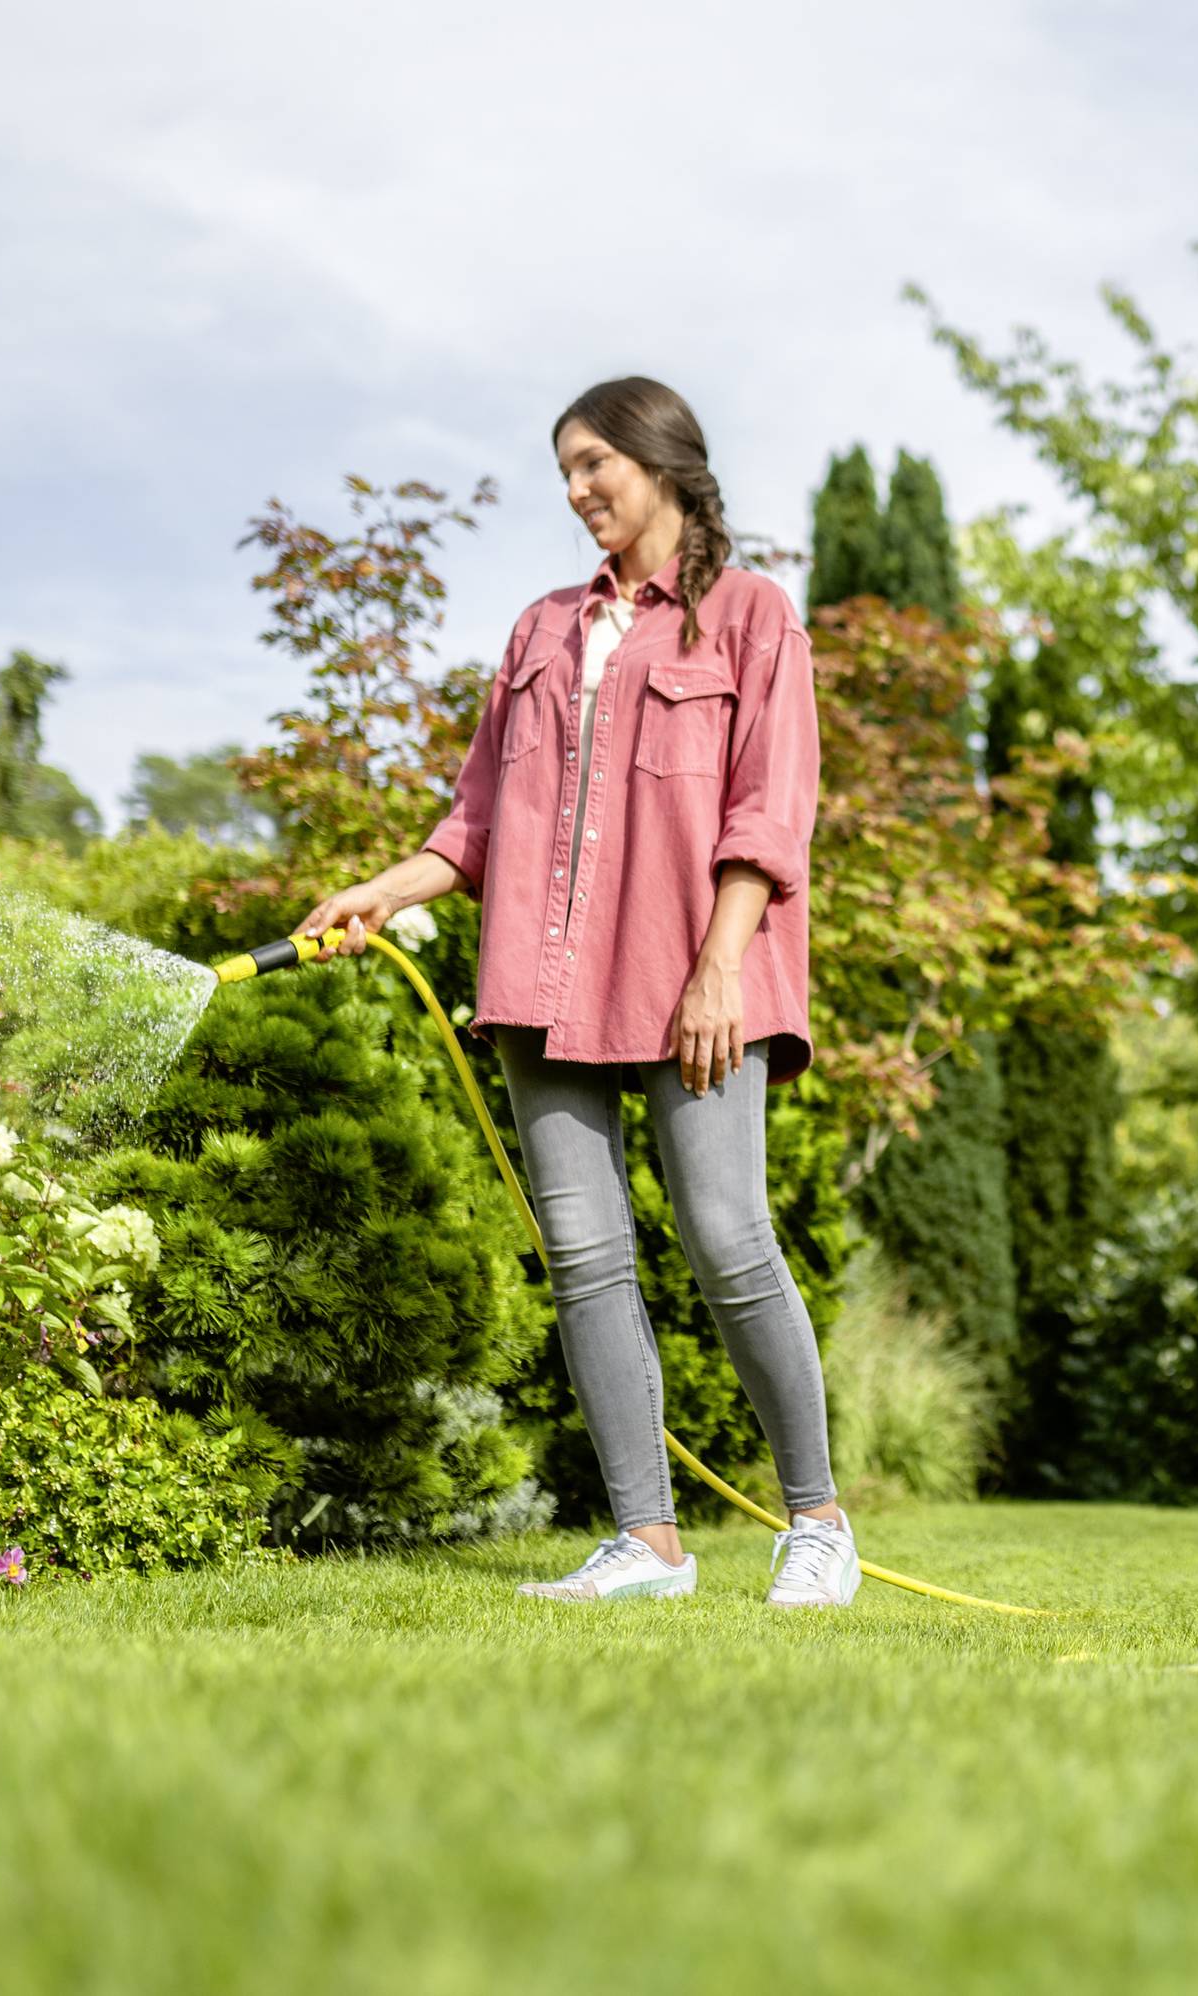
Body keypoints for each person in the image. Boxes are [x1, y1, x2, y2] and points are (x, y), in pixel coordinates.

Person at [298, 376, 854, 1609]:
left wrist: (720, 969)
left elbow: (771, 813)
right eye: (565, 469)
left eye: (595, 462)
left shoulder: (754, 619)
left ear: (663, 463)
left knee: (727, 1236)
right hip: (541, 978)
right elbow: (482, 818)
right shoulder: (542, 630)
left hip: (694, 973)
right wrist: (382, 892)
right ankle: (647, 1544)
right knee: (588, 1257)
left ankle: (816, 1520)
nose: (577, 490)